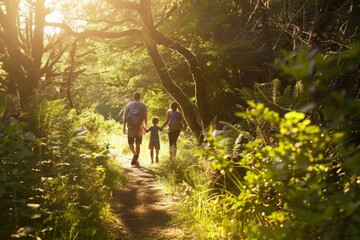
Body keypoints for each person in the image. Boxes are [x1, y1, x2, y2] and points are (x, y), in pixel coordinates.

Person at [123, 92, 148, 165]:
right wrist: (145, 127)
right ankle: (136, 158)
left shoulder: (129, 105)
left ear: (133, 97)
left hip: (130, 126)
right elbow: (145, 117)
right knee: (138, 143)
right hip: (139, 127)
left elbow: (125, 117)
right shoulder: (143, 105)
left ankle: (134, 154)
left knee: (130, 142)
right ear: (140, 97)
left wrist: (124, 127)